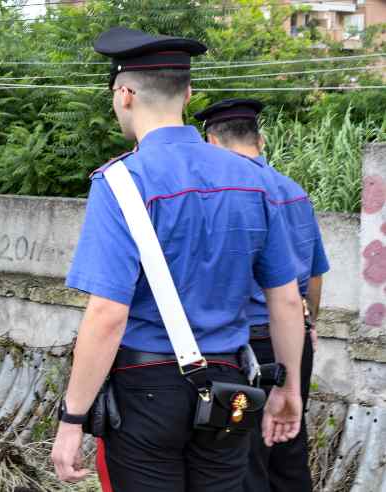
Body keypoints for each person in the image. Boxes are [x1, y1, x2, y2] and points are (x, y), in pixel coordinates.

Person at [50, 27, 306, 492]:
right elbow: (286, 300)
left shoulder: (122, 183)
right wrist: (287, 391)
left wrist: (72, 419)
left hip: (145, 387)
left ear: (124, 95)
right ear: (187, 93)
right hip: (231, 386)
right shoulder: (253, 180)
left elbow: (108, 313)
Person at [194, 98, 330, 492]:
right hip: (293, 342)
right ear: (262, 140)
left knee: (243, 455)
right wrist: (308, 325)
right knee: (289, 446)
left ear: (212, 144)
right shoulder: (293, 191)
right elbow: (315, 274)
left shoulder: (221, 195)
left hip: (243, 346)